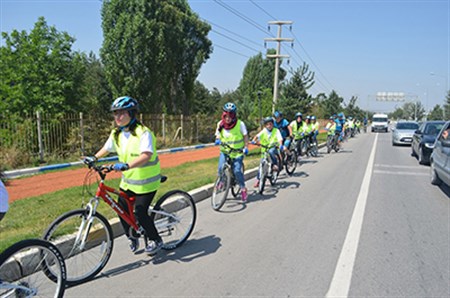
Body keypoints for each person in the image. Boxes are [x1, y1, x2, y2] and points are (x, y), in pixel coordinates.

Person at [84, 96, 163, 255]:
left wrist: (126, 165)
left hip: (146, 183)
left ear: (132, 113)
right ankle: (132, 236)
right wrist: (94, 158)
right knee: (121, 209)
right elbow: (106, 148)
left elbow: (146, 155)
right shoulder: (116, 134)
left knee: (140, 212)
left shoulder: (143, 133)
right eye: (115, 113)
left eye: (121, 113)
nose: (117, 117)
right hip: (128, 182)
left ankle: (156, 239)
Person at [215, 102, 249, 202]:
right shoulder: (220, 124)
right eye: (226, 116)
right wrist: (217, 139)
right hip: (225, 151)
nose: (227, 118)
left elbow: (245, 136)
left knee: (237, 171)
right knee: (221, 167)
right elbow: (217, 134)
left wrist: (246, 147)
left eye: (230, 116)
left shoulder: (240, 124)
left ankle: (242, 188)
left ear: (234, 116)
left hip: (237, 152)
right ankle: (221, 181)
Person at [252, 117, 283, 188]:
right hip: (264, 150)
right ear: (265, 125)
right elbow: (257, 136)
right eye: (267, 124)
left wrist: (280, 145)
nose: (269, 126)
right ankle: (258, 179)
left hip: (273, 147)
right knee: (261, 165)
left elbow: (280, 139)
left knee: (271, 151)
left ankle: (275, 164)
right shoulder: (264, 131)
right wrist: (254, 140)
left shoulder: (276, 130)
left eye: (270, 124)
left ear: (273, 124)